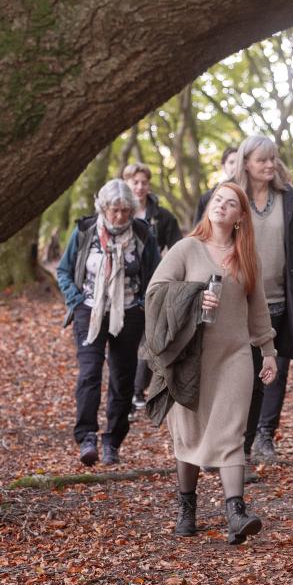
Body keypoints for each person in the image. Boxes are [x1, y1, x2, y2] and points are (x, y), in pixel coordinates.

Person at [144, 182, 278, 544]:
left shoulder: (246, 255)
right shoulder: (187, 248)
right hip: (190, 357)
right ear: (209, 207)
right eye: (218, 199)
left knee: (232, 432)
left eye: (230, 203)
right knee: (187, 434)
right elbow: (154, 291)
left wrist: (267, 350)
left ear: (240, 217)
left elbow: (258, 308)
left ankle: (236, 511)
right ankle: (187, 507)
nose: (222, 206)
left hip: (234, 355)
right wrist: (193, 297)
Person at [56, 180, 161, 466]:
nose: (120, 217)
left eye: (126, 210)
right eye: (115, 210)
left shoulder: (142, 234)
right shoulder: (85, 232)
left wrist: (141, 305)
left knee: (123, 378)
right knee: (89, 373)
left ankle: (112, 441)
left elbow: (155, 274)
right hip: (89, 311)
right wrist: (76, 300)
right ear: (103, 208)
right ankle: (86, 436)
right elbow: (64, 270)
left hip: (129, 314)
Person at [233, 135, 293, 462]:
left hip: (280, 302)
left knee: (276, 372)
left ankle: (265, 437)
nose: (269, 165)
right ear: (246, 163)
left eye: (273, 159)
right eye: (262, 160)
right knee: (243, 375)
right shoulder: (233, 197)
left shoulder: (288, 199)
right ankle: (236, 445)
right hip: (240, 305)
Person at [123, 162, 184, 411]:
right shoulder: (119, 211)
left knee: (150, 339)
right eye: (134, 182)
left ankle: (138, 390)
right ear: (126, 183)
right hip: (124, 288)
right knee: (126, 341)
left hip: (155, 285)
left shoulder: (162, 216)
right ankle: (125, 391)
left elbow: (178, 246)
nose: (139, 187)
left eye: (144, 183)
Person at [191, 146, 241, 228]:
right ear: (224, 167)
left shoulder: (254, 193)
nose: (236, 166)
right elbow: (198, 229)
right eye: (231, 162)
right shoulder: (208, 197)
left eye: (239, 162)